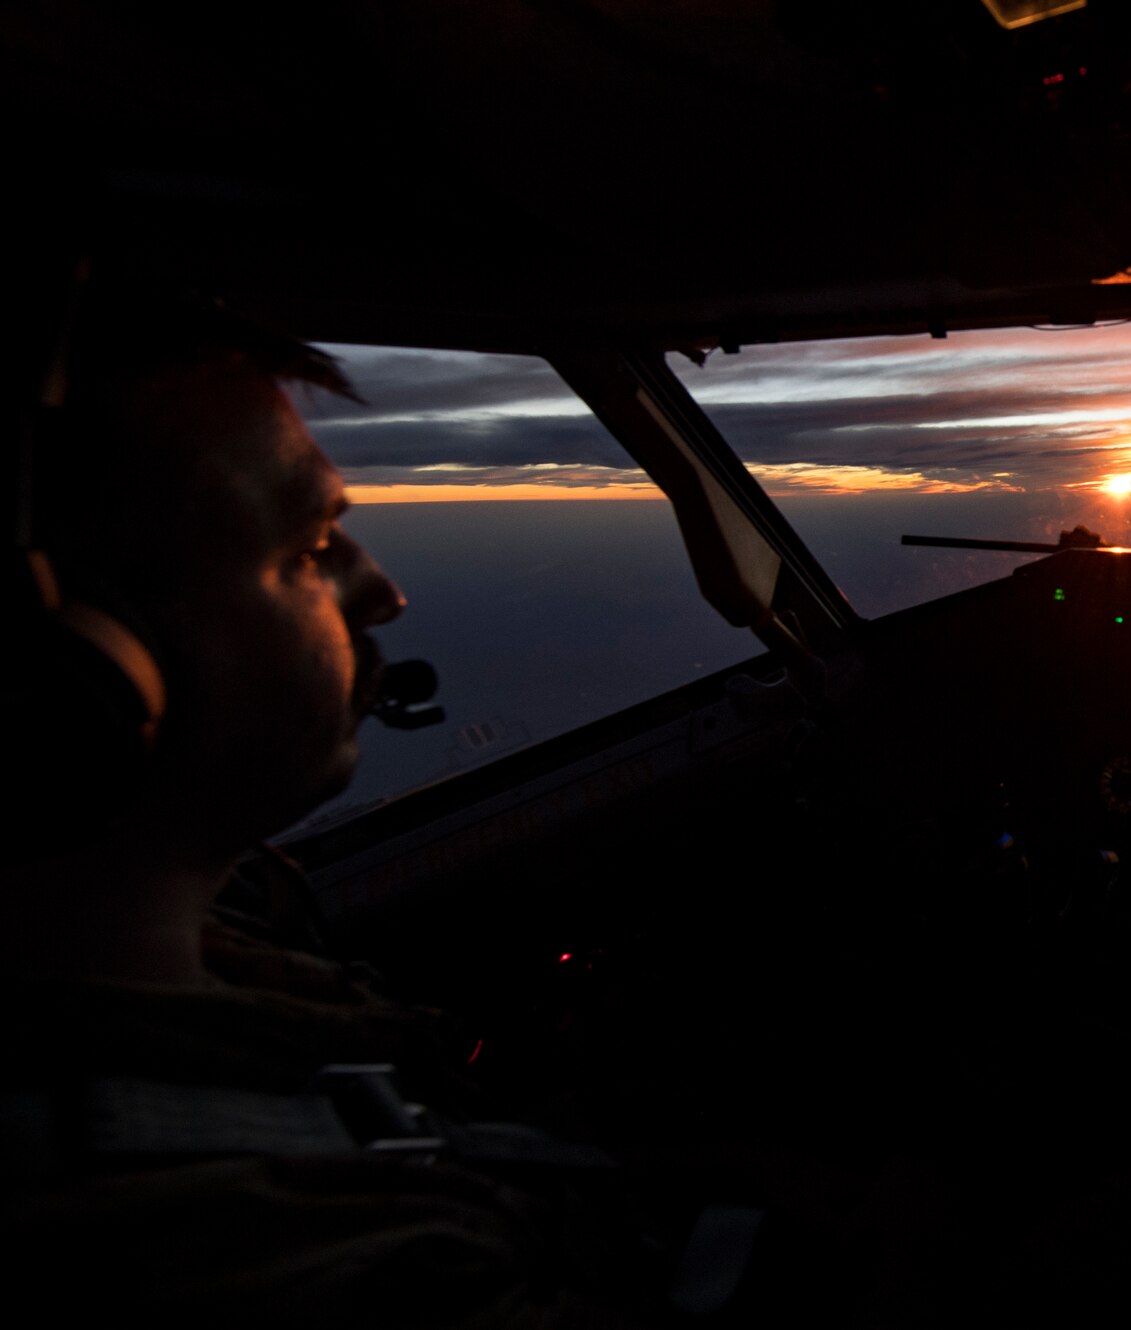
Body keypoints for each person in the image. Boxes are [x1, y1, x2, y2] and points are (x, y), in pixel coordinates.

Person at [0, 279, 804, 1326]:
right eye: (305, 547)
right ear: (75, 674)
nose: (381, 591)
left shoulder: (220, 950)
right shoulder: (276, 1263)